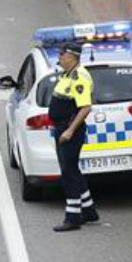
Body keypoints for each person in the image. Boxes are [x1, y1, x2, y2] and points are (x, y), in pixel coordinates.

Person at [49, 42, 99, 232]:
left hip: (69, 131)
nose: (60, 57)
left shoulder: (79, 77)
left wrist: (69, 131)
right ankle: (89, 211)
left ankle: (72, 218)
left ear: (72, 57)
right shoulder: (67, 74)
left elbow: (85, 106)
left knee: (68, 173)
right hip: (62, 129)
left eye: (62, 54)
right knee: (72, 169)